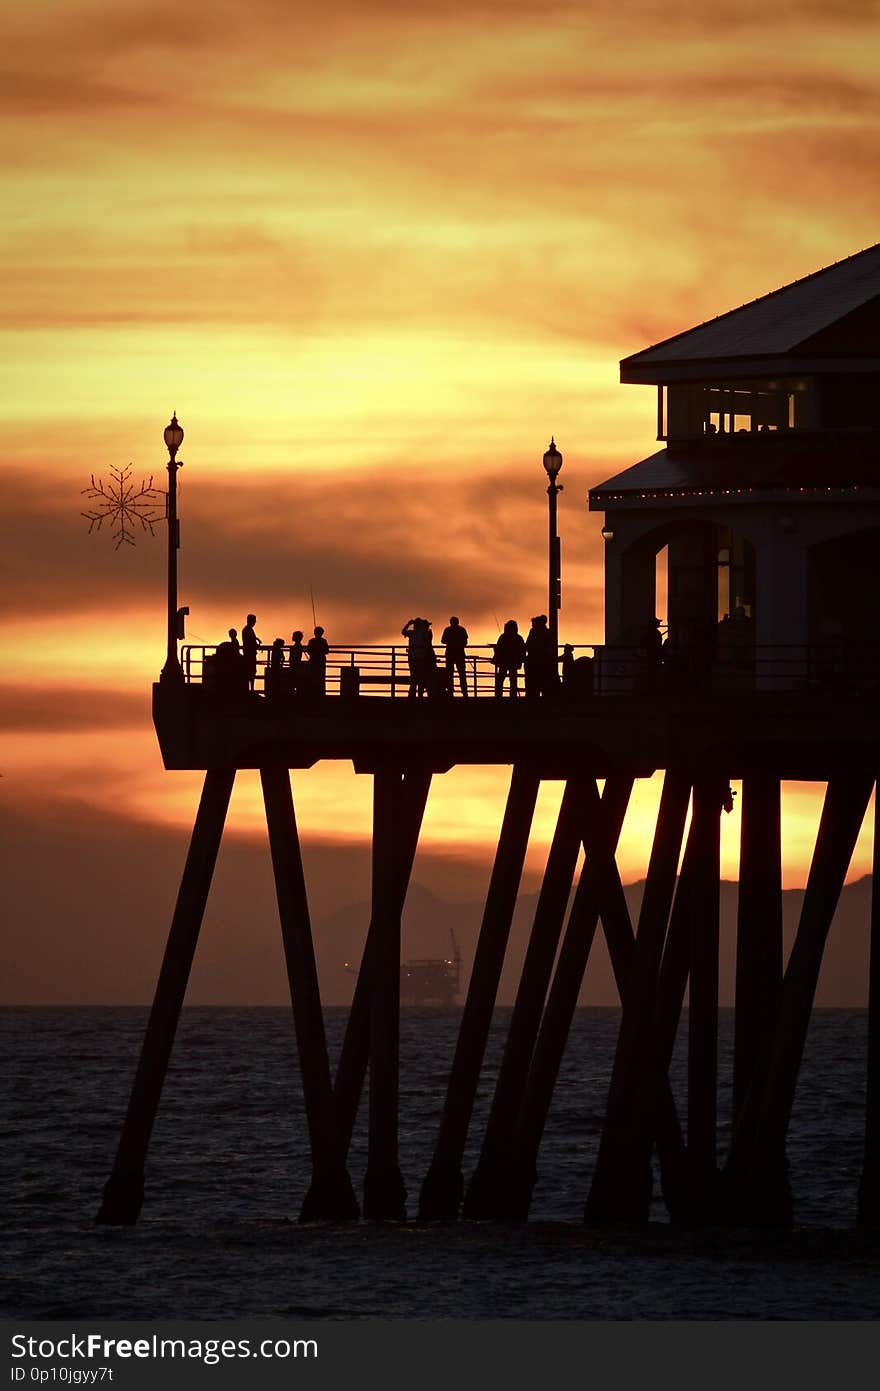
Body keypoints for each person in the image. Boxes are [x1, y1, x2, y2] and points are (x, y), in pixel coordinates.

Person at [524, 614, 557, 699]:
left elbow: (527, 646)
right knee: (544, 686)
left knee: (532, 687)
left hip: (533, 663)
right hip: (545, 663)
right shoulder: (549, 633)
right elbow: (552, 647)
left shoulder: (533, 632)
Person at [493, 619, 526, 698]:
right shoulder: (519, 638)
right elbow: (523, 650)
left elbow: (499, 649)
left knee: (500, 680)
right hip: (514, 662)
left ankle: (498, 696)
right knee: (513, 680)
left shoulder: (503, 637)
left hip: (503, 662)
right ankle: (513, 696)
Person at [402, 617, 434, 699]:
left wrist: (408, 624)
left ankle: (412, 695)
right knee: (420, 676)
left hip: (412, 657)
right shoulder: (424, 633)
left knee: (414, 676)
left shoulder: (412, 633)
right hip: (421, 657)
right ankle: (419, 694)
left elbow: (403, 632)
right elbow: (428, 642)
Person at [441, 616, 469, 698]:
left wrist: (450, 642)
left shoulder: (447, 630)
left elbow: (443, 641)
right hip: (460, 654)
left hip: (450, 654)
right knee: (462, 674)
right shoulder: (462, 630)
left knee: (449, 674)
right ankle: (464, 692)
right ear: (458, 622)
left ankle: (450, 691)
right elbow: (465, 642)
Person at [306, 625, 329, 695]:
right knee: (321, 677)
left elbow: (308, 651)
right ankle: (321, 692)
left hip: (313, 661)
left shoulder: (311, 641)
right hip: (321, 662)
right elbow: (327, 651)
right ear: (322, 633)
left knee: (313, 677)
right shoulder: (324, 641)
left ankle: (313, 692)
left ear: (314, 633)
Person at [242, 614, 261, 691]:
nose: (255, 622)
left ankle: (250, 689)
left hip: (248, 653)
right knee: (251, 672)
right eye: (254, 621)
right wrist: (257, 644)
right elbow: (251, 642)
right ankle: (251, 689)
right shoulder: (248, 630)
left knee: (250, 671)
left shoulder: (247, 629)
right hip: (250, 654)